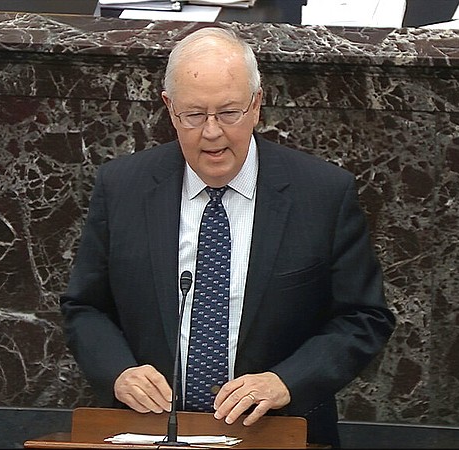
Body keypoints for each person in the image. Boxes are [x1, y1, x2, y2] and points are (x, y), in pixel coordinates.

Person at [60, 26, 395, 446]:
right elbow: (85, 306)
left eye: (229, 113)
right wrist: (118, 372)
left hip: (277, 432)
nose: (212, 132)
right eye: (194, 115)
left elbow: (363, 317)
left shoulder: (322, 193)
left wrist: (285, 381)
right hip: (147, 431)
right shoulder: (123, 187)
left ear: (256, 105)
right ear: (169, 108)